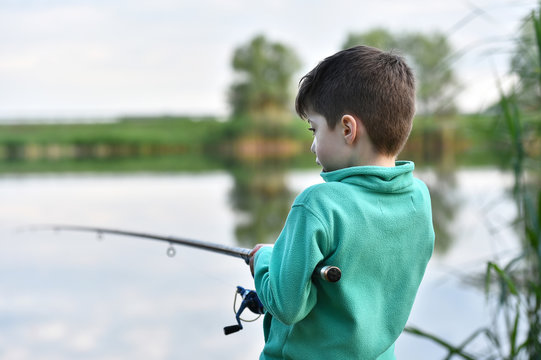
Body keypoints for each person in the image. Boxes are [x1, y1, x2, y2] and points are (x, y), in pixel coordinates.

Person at [248, 45, 435, 360]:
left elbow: (286, 305)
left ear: (348, 129)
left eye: (315, 129)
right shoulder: (419, 198)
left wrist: (264, 262)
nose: (313, 146)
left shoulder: (318, 204)